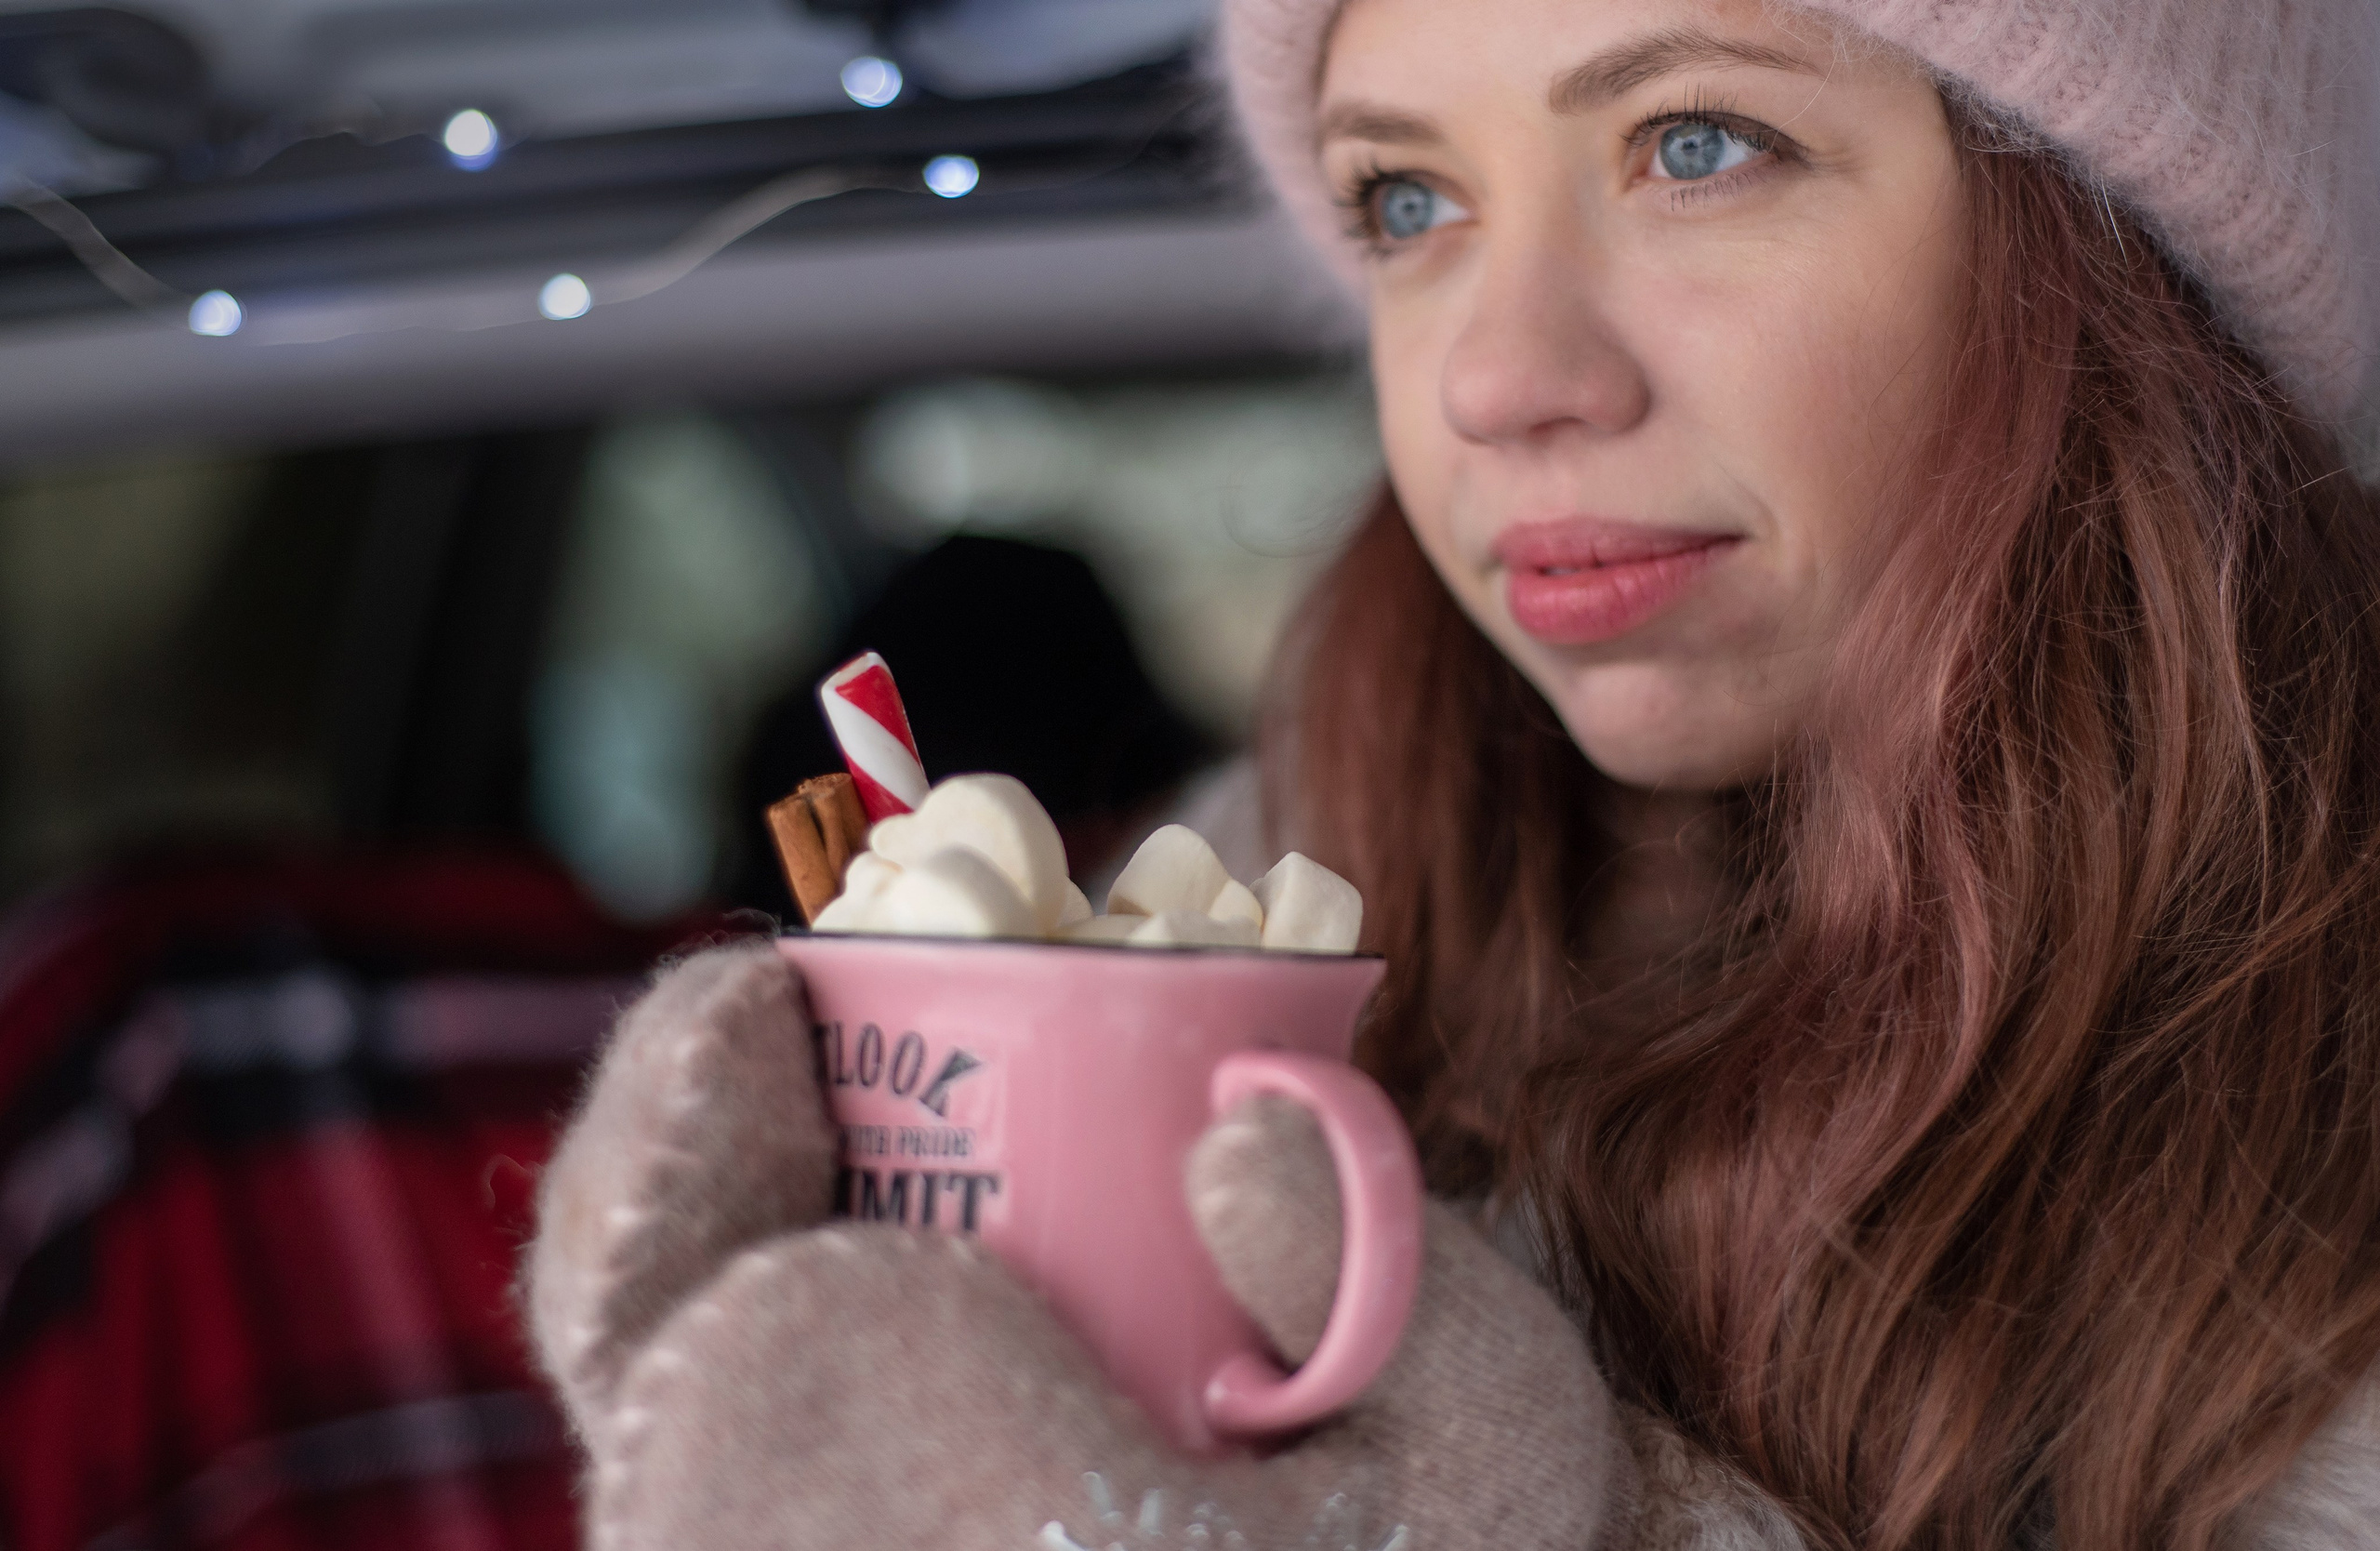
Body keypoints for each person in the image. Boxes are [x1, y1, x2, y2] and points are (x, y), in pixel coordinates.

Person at [522, 0, 2380, 1546]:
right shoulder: (1270, 878)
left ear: (2126, 244)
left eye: (1698, 143)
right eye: (1405, 200)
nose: (1494, 378)